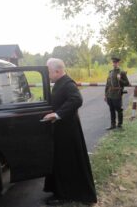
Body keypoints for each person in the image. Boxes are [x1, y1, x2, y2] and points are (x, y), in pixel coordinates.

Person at [42, 58, 97, 206]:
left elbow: (76, 99)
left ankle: (65, 194)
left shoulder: (68, 83)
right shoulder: (59, 83)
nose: (47, 74)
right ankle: (59, 190)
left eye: (49, 71)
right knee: (60, 162)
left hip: (68, 132)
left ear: (58, 71)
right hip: (61, 130)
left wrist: (57, 114)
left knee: (66, 163)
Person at [105, 56, 130, 130]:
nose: (114, 63)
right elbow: (107, 84)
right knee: (111, 110)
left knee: (119, 110)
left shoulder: (122, 72)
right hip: (110, 94)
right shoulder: (110, 72)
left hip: (117, 94)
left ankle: (119, 125)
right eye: (113, 62)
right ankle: (112, 125)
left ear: (118, 63)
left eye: (115, 62)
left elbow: (127, 83)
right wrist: (105, 94)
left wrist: (120, 80)